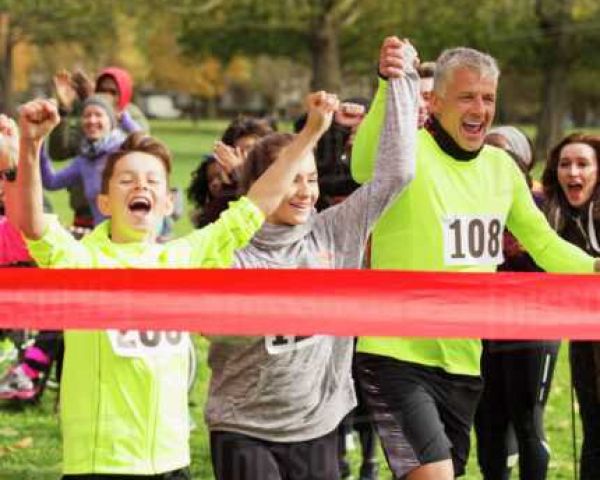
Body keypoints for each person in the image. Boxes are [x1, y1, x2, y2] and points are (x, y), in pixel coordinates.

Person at [12, 91, 336, 478]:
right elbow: (32, 224)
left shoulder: (185, 259)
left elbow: (257, 204)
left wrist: (310, 134)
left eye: (152, 181)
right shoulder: (81, 261)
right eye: (127, 180)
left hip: (171, 461)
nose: (141, 187)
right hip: (101, 464)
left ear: (167, 204)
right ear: (104, 202)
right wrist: (30, 145)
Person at [350, 36, 600, 480]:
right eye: (467, 97)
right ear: (435, 101)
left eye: (488, 98)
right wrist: (389, 83)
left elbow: (544, 245)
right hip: (394, 355)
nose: (480, 109)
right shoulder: (409, 153)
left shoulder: (501, 169)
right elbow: (363, 166)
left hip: (463, 362)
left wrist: (594, 267)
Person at [205, 39, 418, 480]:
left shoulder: (333, 231)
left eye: (313, 179)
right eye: (292, 180)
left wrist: (399, 80)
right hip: (243, 426)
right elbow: (213, 328)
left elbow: (397, 174)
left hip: (318, 424)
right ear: (263, 185)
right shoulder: (230, 248)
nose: (305, 192)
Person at [474, 126, 560, 480]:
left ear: (524, 161)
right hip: (483, 327)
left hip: (533, 328)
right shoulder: (471, 202)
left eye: (504, 154)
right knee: (488, 421)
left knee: (527, 421)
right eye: (487, 152)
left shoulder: (542, 204)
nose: (494, 161)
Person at [541, 133, 600, 480]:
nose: (573, 172)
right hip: (584, 341)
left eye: (583, 164)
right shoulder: (555, 216)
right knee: (593, 432)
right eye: (565, 164)